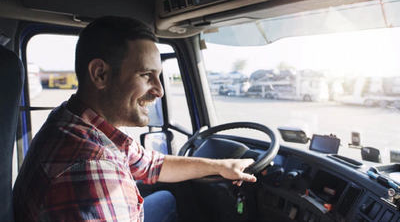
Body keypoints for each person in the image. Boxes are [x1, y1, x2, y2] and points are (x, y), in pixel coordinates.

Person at [13, 16, 257, 222]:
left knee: (166, 199)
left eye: (159, 76)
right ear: (100, 74)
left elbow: (150, 164)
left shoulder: (75, 119)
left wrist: (222, 166)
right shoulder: (93, 172)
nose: (159, 90)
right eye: (146, 75)